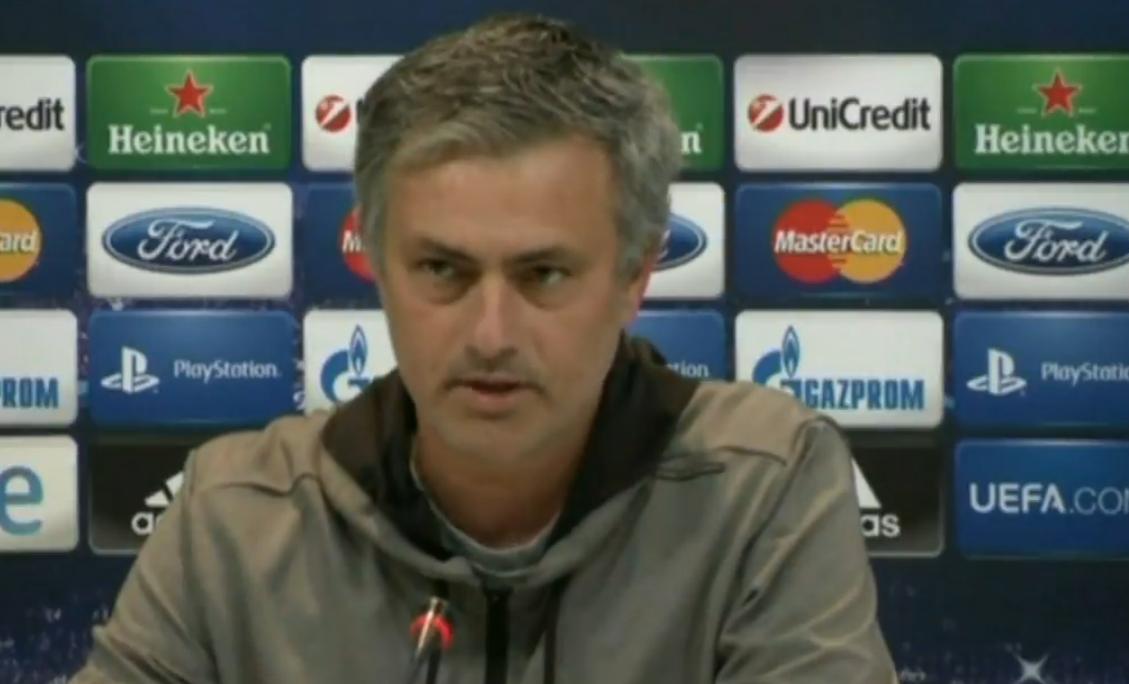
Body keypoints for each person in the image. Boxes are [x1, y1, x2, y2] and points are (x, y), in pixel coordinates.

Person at [71, 12, 898, 684]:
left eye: (543, 275)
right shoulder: (233, 520)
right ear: (376, 265)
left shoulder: (762, 488)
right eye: (443, 270)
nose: (490, 335)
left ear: (635, 276)